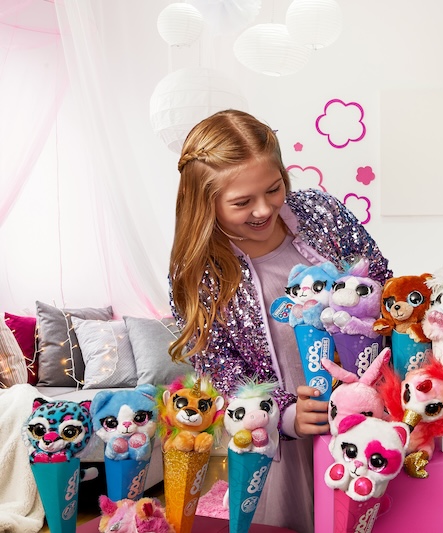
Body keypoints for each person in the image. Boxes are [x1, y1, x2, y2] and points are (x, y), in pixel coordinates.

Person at [168, 109, 391, 533]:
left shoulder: (321, 213)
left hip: (368, 415)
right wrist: (286, 416)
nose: (263, 208)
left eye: (273, 189)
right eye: (242, 202)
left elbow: (379, 283)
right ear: (204, 202)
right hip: (286, 445)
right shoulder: (199, 273)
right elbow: (222, 369)